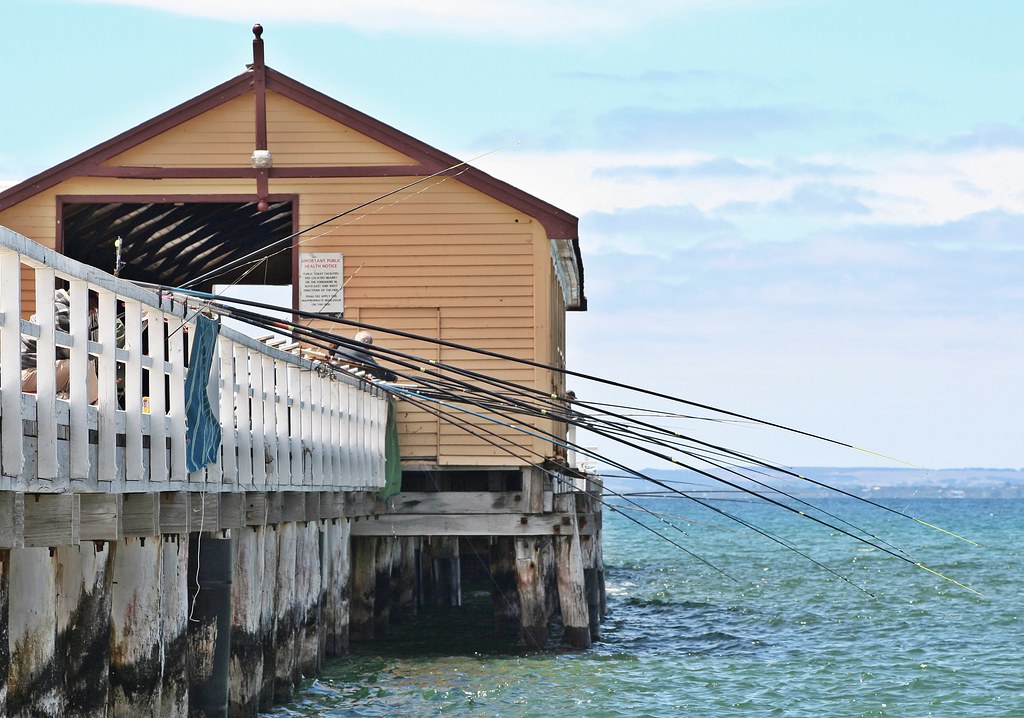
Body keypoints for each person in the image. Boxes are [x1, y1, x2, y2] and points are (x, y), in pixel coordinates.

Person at [21, 288, 99, 402]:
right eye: (93, 308)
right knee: (83, 367)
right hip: (27, 375)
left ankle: (86, 406)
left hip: (31, 372)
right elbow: (70, 352)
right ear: (85, 301)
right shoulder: (62, 312)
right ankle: (91, 410)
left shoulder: (58, 307)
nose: (92, 313)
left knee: (82, 367)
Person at [331, 330, 397, 381]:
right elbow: (376, 370)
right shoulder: (360, 350)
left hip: (338, 377)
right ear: (366, 342)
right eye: (369, 346)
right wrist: (392, 377)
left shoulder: (343, 346)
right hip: (350, 382)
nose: (368, 349)